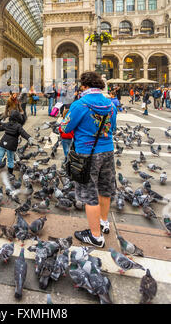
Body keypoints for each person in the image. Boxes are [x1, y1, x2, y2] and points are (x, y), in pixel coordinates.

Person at [60, 71, 117, 248]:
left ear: (84, 86)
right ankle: (104, 222)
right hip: (108, 151)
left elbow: (65, 126)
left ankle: (95, 236)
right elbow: (112, 128)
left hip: (87, 154)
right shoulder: (110, 104)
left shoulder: (80, 104)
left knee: (89, 193)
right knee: (105, 189)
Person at [0, 110, 33, 183]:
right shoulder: (18, 126)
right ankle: (10, 175)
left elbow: (0, 128)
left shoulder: (7, 124)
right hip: (11, 144)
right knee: (10, 159)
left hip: (3, 142)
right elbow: (23, 133)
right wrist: (29, 138)